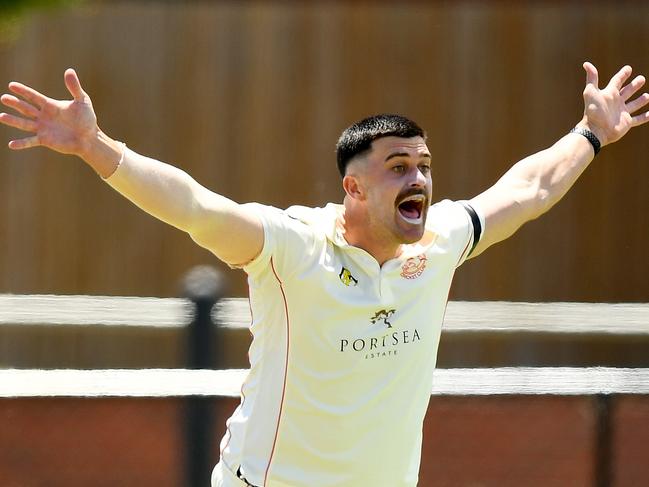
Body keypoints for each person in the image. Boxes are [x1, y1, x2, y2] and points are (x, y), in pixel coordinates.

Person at [1, 62, 648, 486]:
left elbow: (529, 188)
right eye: (397, 165)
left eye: (423, 164)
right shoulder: (293, 247)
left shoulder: (444, 238)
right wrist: (95, 146)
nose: (418, 178)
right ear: (353, 187)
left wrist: (589, 134)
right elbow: (195, 206)